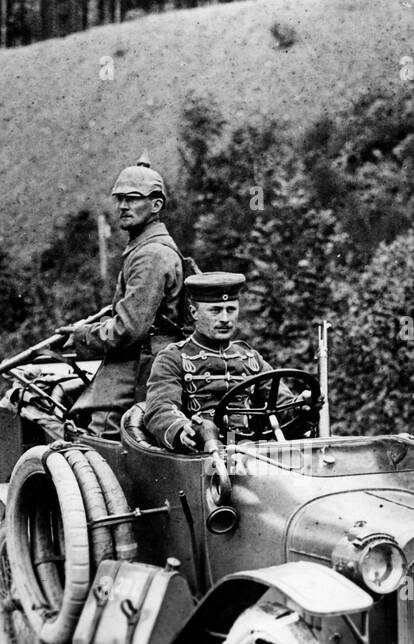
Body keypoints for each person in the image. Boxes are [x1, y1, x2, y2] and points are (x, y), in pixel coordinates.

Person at [60, 156, 190, 438]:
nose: (122, 206)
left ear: (156, 205)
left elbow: (129, 329)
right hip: (147, 363)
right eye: (119, 199)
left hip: (136, 370)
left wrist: (84, 336)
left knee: (99, 440)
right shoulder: (147, 249)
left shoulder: (151, 255)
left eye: (132, 199)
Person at [144, 272, 280, 452]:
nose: (225, 319)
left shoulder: (251, 358)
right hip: (201, 455)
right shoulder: (173, 358)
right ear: (194, 312)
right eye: (215, 310)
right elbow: (160, 408)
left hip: (251, 451)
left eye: (231, 309)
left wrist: (303, 403)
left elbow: (281, 402)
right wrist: (182, 431)